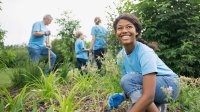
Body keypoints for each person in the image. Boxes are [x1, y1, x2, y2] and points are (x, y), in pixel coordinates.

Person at [107, 14, 180, 112]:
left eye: (129, 27)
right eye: (120, 28)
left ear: (136, 31)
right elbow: (134, 84)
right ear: (116, 33)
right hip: (151, 87)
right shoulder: (120, 56)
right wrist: (123, 95)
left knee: (138, 100)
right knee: (137, 106)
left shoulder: (145, 52)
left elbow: (148, 95)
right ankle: (158, 107)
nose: (124, 31)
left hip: (169, 85)